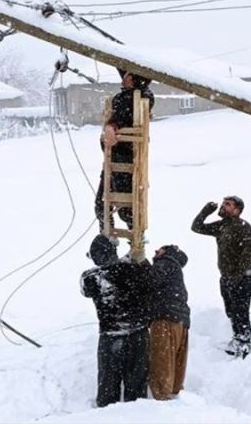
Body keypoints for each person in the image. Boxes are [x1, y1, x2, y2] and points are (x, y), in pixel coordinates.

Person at [80, 234, 152, 407]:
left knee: (108, 385)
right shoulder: (131, 270)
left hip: (110, 336)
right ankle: (137, 417)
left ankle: (106, 416)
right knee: (136, 387)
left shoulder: (90, 278)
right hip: (138, 334)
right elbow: (150, 281)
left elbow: (85, 288)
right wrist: (137, 254)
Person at [191, 196, 251, 358]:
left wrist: (239, 275)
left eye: (227, 204)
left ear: (237, 210)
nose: (223, 206)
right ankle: (237, 337)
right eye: (223, 203)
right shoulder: (222, 226)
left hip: (242, 278)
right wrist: (205, 211)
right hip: (226, 277)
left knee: (241, 310)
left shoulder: (243, 227)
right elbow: (196, 227)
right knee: (231, 311)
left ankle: (244, 342)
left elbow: (248, 253)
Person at [95, 69, 155, 235]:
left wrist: (114, 127)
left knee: (127, 209)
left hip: (127, 158)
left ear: (135, 79)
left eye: (128, 74)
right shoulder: (122, 96)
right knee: (101, 205)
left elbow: (125, 118)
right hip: (112, 157)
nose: (124, 77)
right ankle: (108, 242)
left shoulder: (141, 96)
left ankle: (136, 242)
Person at [148, 244, 190, 400]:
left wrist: (139, 262)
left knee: (161, 362)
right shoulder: (176, 270)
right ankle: (174, 396)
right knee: (176, 363)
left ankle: (160, 402)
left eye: (160, 249)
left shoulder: (166, 262)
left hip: (165, 318)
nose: (155, 251)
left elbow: (149, 278)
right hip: (181, 320)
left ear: (168, 252)